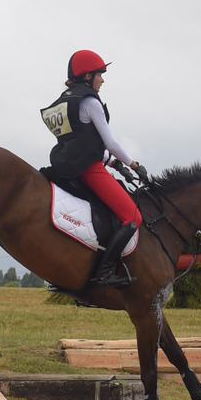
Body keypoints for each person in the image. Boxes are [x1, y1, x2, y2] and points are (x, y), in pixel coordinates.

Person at [39, 49, 147, 287]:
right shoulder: (90, 101)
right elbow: (110, 143)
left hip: (64, 165)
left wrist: (116, 165)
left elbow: (83, 143)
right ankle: (104, 272)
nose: (103, 79)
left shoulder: (65, 101)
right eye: (100, 74)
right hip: (89, 171)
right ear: (88, 76)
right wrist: (134, 164)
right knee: (132, 217)